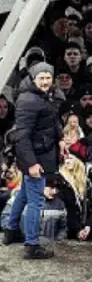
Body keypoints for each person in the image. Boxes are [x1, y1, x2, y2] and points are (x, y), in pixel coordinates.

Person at [2, 62, 60, 259]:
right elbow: (22, 136)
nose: (45, 81)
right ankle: (32, 244)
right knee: (36, 201)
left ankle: (10, 230)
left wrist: (60, 142)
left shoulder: (38, 96)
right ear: (33, 78)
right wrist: (32, 163)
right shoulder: (29, 100)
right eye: (41, 78)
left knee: (25, 194)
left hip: (39, 154)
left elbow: (47, 125)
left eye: (48, 77)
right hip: (36, 158)